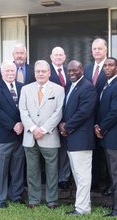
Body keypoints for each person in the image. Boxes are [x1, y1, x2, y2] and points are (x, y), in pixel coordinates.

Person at [19, 60, 64, 209]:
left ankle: (52, 200)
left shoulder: (58, 90)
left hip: (49, 136)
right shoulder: (25, 89)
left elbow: (58, 113)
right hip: (30, 137)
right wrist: (33, 128)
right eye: (38, 71)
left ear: (49, 73)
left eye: (43, 71)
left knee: (52, 171)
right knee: (32, 171)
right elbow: (23, 111)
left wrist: (43, 129)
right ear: (34, 73)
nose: (40, 74)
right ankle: (33, 200)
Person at [84, 38, 117, 195]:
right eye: (94, 49)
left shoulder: (116, 69)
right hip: (90, 119)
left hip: (108, 121)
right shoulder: (88, 69)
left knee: (110, 154)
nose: (96, 51)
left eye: (99, 48)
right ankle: (93, 183)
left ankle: (110, 185)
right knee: (93, 152)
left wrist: (103, 124)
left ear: (106, 49)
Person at [59, 60, 97, 215]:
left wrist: (66, 126)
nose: (71, 73)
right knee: (77, 174)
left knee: (82, 176)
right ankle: (82, 205)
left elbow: (84, 112)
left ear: (81, 69)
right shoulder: (70, 86)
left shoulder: (87, 87)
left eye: (75, 70)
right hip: (72, 139)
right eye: (69, 71)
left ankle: (82, 209)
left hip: (82, 139)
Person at [94, 57, 117, 217]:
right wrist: (97, 125)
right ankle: (116, 206)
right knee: (113, 174)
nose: (107, 68)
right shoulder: (106, 85)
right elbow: (101, 110)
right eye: (105, 66)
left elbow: (115, 112)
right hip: (107, 138)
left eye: (111, 65)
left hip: (116, 138)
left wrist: (102, 127)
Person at [0, 60, 25, 208]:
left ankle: (17, 196)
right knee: (0, 171)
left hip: (20, 135)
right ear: (2, 73)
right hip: (2, 136)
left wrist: (22, 124)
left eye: (12, 71)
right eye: (7, 71)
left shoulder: (23, 88)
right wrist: (13, 125)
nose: (10, 73)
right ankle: (0, 199)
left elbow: (26, 108)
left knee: (18, 169)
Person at [49, 46, 71, 190]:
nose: (58, 57)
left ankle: (64, 178)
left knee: (65, 149)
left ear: (64, 57)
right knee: (51, 150)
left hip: (67, 118)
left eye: (61, 55)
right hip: (50, 117)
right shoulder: (46, 72)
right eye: (56, 55)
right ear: (51, 57)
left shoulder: (70, 72)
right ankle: (52, 178)